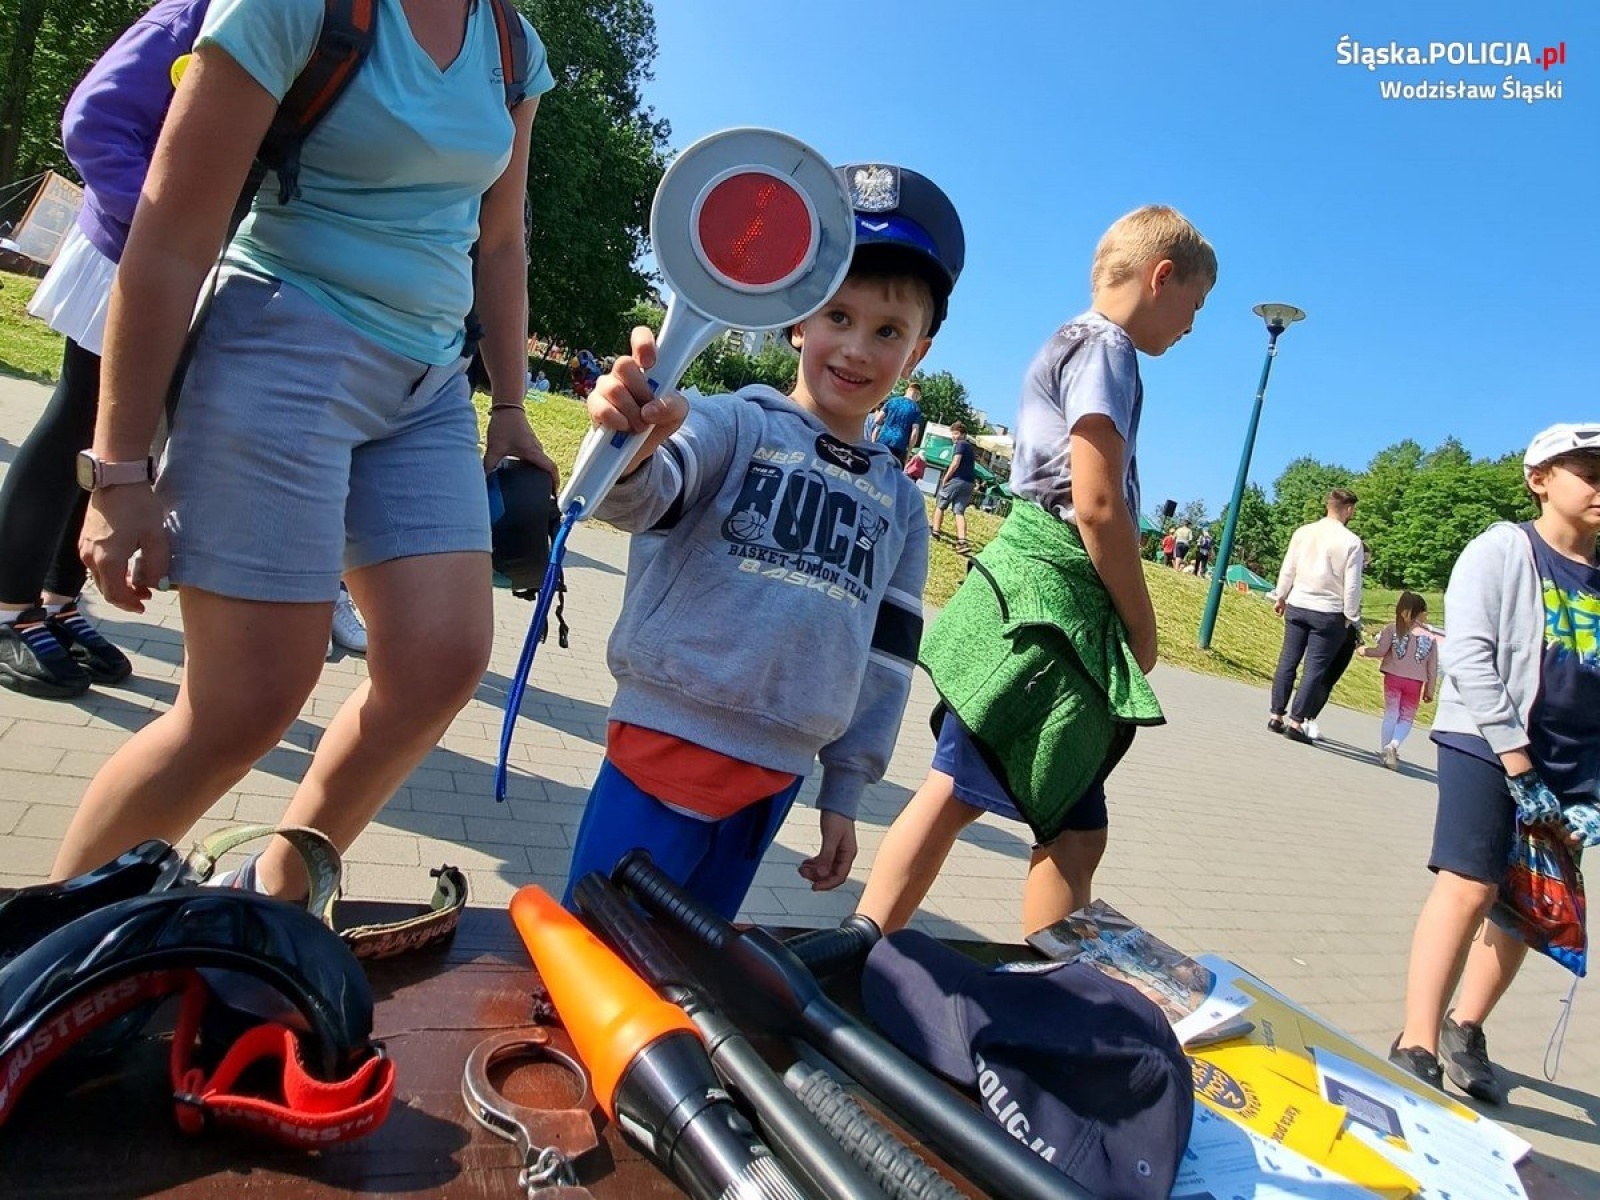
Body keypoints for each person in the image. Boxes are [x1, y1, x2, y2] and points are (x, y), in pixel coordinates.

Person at [50, 0, 560, 900]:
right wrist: (118, 474)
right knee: (243, 704)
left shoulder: (514, 45)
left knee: (439, 663)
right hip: (285, 339)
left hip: (432, 383)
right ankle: (55, 962)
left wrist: (511, 402)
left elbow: (504, 235)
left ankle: (272, 901)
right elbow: (169, 237)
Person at [559, 163, 966, 920]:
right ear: (796, 318)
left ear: (918, 354)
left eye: (888, 332)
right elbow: (640, 499)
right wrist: (631, 445)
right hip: (661, 737)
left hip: (776, 777)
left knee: (690, 979)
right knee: (591, 954)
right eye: (837, 316)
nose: (856, 349)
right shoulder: (730, 421)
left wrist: (845, 791)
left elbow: (886, 661)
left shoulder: (903, 505)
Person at [856, 204, 1216, 938]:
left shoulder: (1071, 339)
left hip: (1037, 600)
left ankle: (1049, 985)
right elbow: (1097, 501)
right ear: (1162, 276)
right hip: (1045, 614)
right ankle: (862, 946)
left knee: (1074, 833)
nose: (1192, 325)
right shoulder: (1108, 346)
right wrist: (1141, 626)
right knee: (957, 790)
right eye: (1195, 305)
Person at [1389, 423, 1600, 1103]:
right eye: (1588, 471)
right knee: (1470, 885)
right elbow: (1468, 656)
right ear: (1540, 479)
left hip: (1571, 763)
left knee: (1528, 906)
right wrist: (1517, 762)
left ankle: (1464, 1028)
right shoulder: (1504, 550)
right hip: (1486, 742)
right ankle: (1416, 1037)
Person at [1267, 487, 1362, 743]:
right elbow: (1352, 585)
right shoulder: (1352, 542)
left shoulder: (1304, 532)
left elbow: (1289, 567)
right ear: (1349, 509)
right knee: (1314, 669)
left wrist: (1281, 595)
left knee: (1287, 660)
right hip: (1329, 611)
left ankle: (1276, 715)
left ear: (1327, 505)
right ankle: (1296, 722)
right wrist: (1351, 616)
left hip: (1298, 602)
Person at [1359, 591, 1438, 769]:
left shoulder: (1392, 628)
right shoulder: (1429, 636)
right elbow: (1432, 667)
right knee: (1407, 717)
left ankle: (1384, 751)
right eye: (1426, 612)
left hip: (1393, 677)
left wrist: (1364, 651)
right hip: (1416, 682)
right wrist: (1430, 689)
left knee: (1391, 713)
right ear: (1420, 613)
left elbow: (1380, 651)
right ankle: (1393, 745)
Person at [930, 420, 977, 550]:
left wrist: (946, 478)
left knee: (941, 504)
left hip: (957, 480)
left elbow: (956, 462)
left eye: (956, 434)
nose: (954, 437)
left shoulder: (960, 445)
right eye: (953, 434)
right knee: (959, 511)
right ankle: (962, 541)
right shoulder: (969, 448)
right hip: (969, 483)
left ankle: (935, 531)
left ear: (963, 435)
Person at [871, 381, 923, 465]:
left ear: (907, 391)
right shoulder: (915, 409)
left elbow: (877, 419)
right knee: (891, 473)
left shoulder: (892, 401)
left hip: (882, 440)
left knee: (876, 467)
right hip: (899, 445)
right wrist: (909, 451)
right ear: (917, 395)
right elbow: (914, 433)